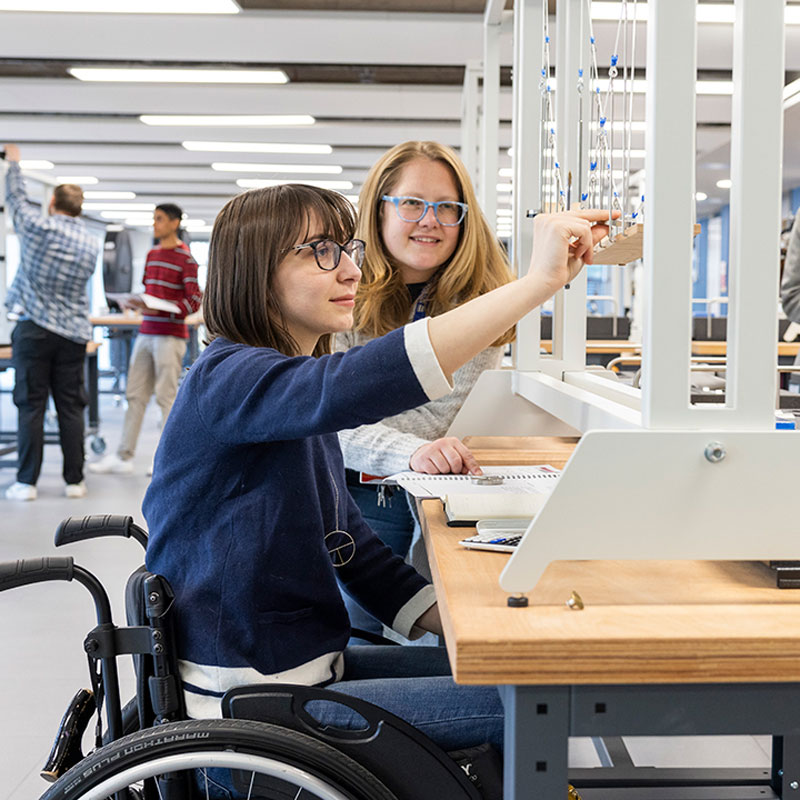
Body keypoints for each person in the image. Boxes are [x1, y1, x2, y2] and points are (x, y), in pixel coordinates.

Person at [142, 181, 611, 762]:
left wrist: (484, 626)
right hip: (250, 705)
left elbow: (352, 550)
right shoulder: (230, 379)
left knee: (518, 672)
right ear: (255, 269)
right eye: (319, 251)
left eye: (347, 249)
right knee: (535, 703)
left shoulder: (287, 389)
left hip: (306, 669)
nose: (349, 272)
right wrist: (537, 283)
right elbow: (364, 380)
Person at [335, 141, 515, 638]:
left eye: (447, 208)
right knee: (357, 640)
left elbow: (438, 417)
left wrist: (393, 441)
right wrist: (408, 449)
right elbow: (323, 418)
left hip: (415, 491)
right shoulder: (338, 291)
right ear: (378, 210)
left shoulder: (479, 304)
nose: (430, 220)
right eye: (412, 203)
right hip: (345, 491)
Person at [2, 144, 101, 501]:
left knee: (31, 406)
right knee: (71, 407)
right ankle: (75, 481)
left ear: (52, 204)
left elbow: (14, 200)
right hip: (74, 333)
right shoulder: (90, 243)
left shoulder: (39, 228)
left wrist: (14, 165)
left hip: (35, 330)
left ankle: (27, 482)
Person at [89, 203, 201, 475]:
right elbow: (147, 288)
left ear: (174, 223)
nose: (155, 224)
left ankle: (165, 460)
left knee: (166, 398)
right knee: (135, 395)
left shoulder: (186, 260)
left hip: (170, 336)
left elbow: (194, 299)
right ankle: (124, 456)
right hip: (146, 332)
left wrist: (170, 308)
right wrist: (138, 302)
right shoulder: (152, 255)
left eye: (160, 219)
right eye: (154, 219)